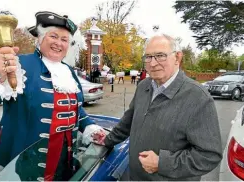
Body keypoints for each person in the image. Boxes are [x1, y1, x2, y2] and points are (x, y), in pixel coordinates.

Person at [0, 11, 105, 181]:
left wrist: (90, 127)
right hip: (21, 168)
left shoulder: (68, 72)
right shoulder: (20, 64)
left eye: (64, 40)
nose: (59, 43)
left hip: (63, 166)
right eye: (53, 36)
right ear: (39, 38)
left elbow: (74, 108)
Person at [95, 34, 222, 181]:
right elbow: (128, 123)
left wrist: (162, 163)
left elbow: (209, 156)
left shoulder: (198, 98)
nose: (153, 63)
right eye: (148, 57)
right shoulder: (143, 86)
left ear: (177, 58)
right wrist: (107, 140)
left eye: (160, 56)